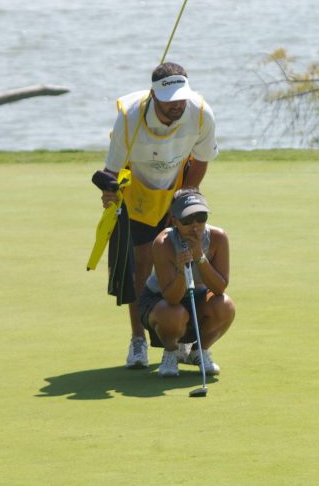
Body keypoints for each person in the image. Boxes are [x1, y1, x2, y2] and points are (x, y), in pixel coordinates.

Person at [99, 62, 219, 368]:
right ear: (154, 95)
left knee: (185, 260)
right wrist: (110, 194)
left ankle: (183, 343)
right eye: (169, 101)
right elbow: (111, 172)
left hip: (177, 188)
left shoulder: (201, 112)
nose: (177, 106)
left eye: (181, 99)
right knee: (141, 265)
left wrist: (181, 204)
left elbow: (201, 160)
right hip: (138, 192)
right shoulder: (129, 119)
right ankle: (138, 340)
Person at [138, 188, 235, 376]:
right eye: (187, 220)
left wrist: (200, 257)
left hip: (198, 297)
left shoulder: (218, 238)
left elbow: (219, 287)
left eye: (201, 216)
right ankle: (172, 352)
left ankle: (199, 352)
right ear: (174, 220)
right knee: (173, 314)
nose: (195, 225)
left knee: (225, 305)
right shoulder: (163, 243)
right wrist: (183, 271)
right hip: (161, 302)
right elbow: (172, 298)